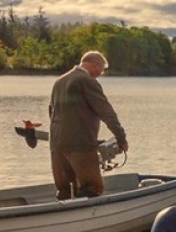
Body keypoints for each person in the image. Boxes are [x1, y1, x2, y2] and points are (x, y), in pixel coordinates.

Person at [48, 50, 128, 199]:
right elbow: (106, 112)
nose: (100, 74)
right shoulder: (86, 81)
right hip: (80, 144)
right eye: (101, 70)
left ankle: (65, 218)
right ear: (94, 65)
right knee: (92, 186)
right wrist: (121, 138)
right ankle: (90, 219)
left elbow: (51, 112)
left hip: (56, 144)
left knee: (66, 189)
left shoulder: (60, 81)